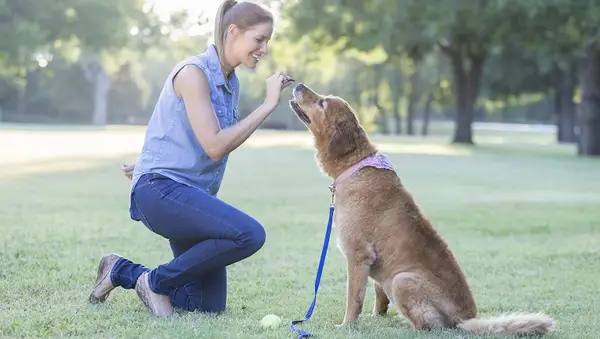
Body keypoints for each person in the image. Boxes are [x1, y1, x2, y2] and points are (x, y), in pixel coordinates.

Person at [88, 0, 294, 317]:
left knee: (204, 306)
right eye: (260, 39)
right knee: (250, 234)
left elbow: (183, 130)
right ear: (233, 32)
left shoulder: (230, 84)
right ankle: (155, 283)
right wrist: (267, 105)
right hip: (160, 192)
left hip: (185, 194)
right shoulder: (192, 73)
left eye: (266, 41)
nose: (264, 49)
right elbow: (213, 145)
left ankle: (121, 271)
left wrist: (147, 161)